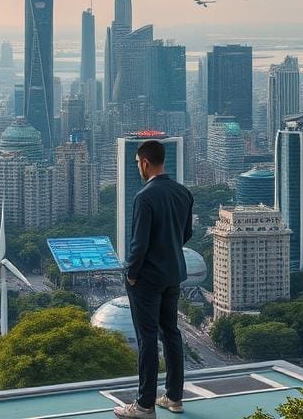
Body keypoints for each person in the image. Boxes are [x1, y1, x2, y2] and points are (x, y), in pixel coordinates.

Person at [114, 139, 194, 417]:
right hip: (173, 273)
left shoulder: (144, 197)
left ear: (145, 162)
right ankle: (174, 397)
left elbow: (139, 243)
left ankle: (145, 404)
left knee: (147, 338)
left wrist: (132, 274)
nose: (138, 167)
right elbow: (185, 234)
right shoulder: (183, 193)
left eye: (138, 163)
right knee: (171, 332)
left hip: (147, 277)